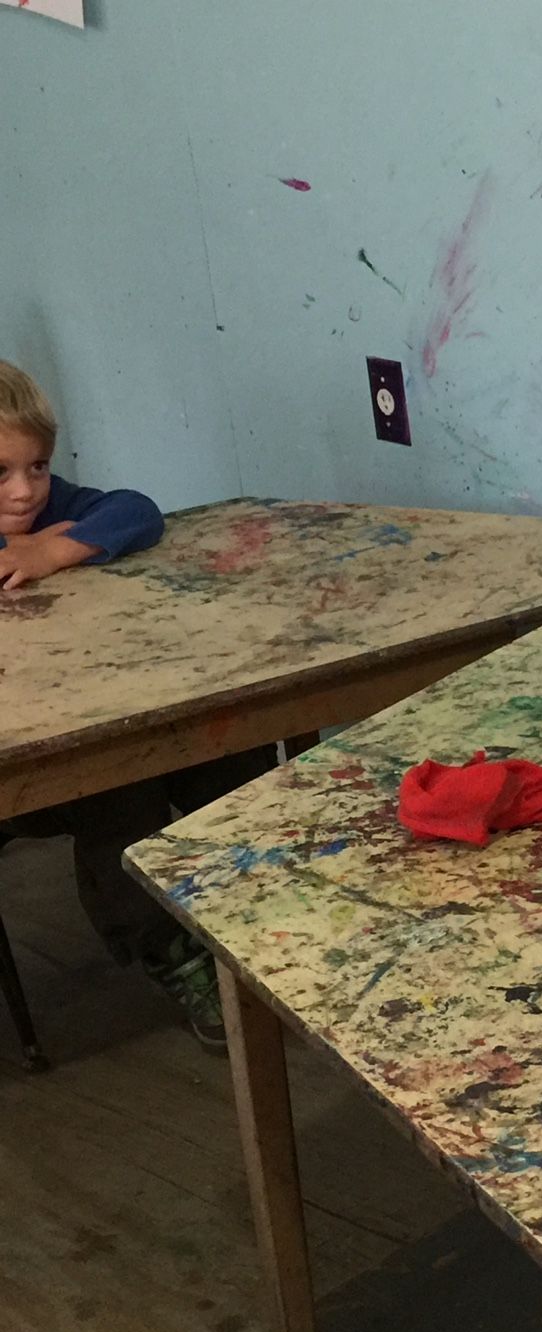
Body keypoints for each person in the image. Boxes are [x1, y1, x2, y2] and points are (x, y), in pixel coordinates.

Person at [0, 360, 269, 1052]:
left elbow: (135, 511)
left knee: (226, 749)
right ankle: (168, 952)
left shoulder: (52, 510)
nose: (26, 491)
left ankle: (252, 918)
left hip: (95, 711)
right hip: (27, 769)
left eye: (38, 466)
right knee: (115, 791)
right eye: (1, 473)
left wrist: (53, 547)